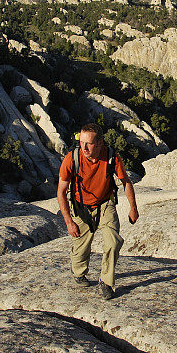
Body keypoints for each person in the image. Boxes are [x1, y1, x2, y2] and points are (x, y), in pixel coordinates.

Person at [57, 123, 139, 300]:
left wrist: (133, 208)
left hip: (105, 203)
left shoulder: (111, 157)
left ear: (100, 143)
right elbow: (61, 191)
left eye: (90, 143)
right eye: (82, 142)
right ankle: (79, 272)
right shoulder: (72, 159)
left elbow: (126, 182)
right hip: (81, 207)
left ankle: (106, 281)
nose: (84, 147)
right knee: (81, 248)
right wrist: (69, 222)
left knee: (113, 241)